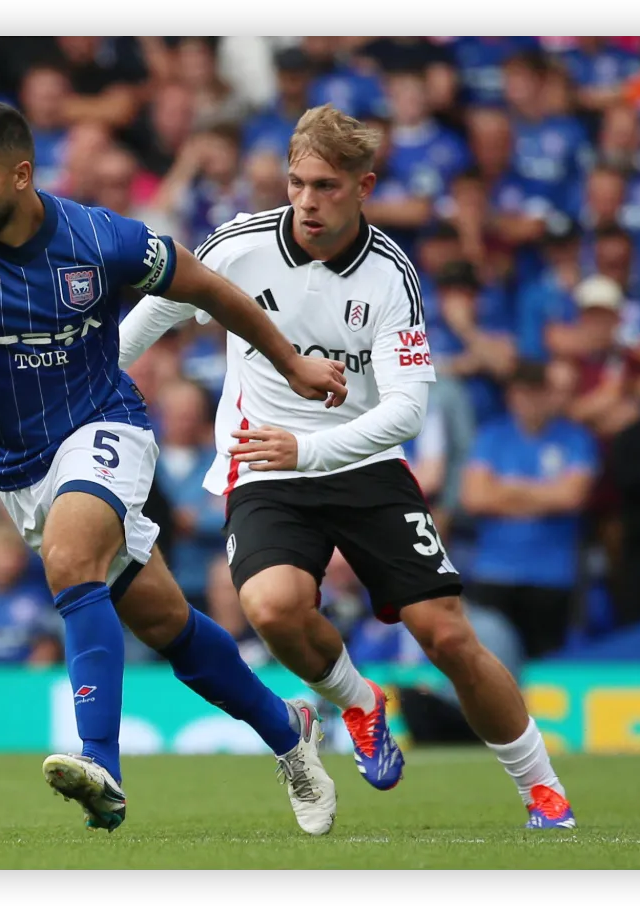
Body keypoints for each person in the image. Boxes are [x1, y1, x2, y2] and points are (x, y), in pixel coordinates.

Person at [0, 101, 349, 836]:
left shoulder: (98, 238)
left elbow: (212, 290)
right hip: (19, 469)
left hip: (105, 426)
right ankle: (289, 732)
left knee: (70, 558)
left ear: (21, 174)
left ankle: (104, 770)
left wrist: (293, 364)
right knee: (163, 621)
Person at [118, 104, 577, 831]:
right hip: (264, 465)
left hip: (361, 460)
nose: (306, 200)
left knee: (448, 636)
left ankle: (541, 788)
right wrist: (99, 382)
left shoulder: (391, 275)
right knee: (270, 608)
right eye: (298, 183)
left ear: (364, 186)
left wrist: (313, 448)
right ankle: (360, 703)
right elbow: (160, 308)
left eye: (327, 186)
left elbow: (406, 414)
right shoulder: (239, 244)